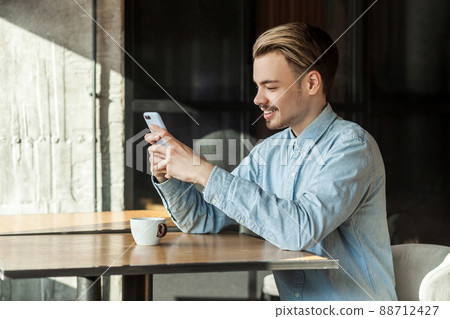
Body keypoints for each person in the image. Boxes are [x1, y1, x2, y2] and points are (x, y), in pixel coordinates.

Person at [145, 22, 397, 301]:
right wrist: (167, 175)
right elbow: (203, 218)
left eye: (271, 87)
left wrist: (203, 171)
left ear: (311, 83)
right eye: (257, 86)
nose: (258, 98)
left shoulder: (351, 147)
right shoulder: (270, 151)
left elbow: (299, 230)